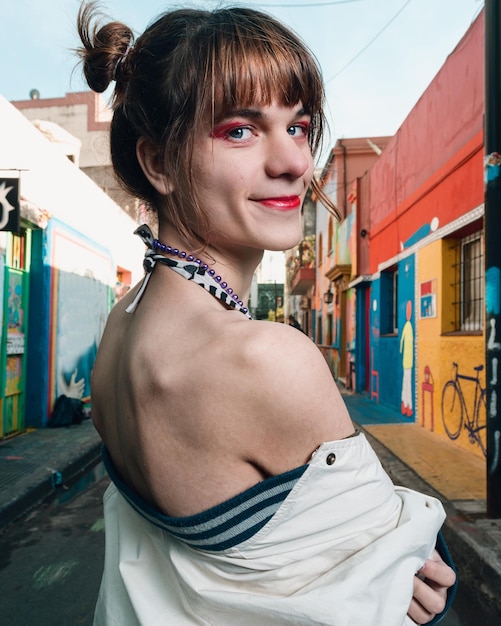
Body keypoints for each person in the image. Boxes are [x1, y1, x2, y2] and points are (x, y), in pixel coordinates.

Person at [76, 3, 456, 624]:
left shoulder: (120, 326)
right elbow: (412, 584)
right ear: (159, 164)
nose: (294, 164)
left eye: (299, 126)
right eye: (239, 130)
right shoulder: (263, 359)